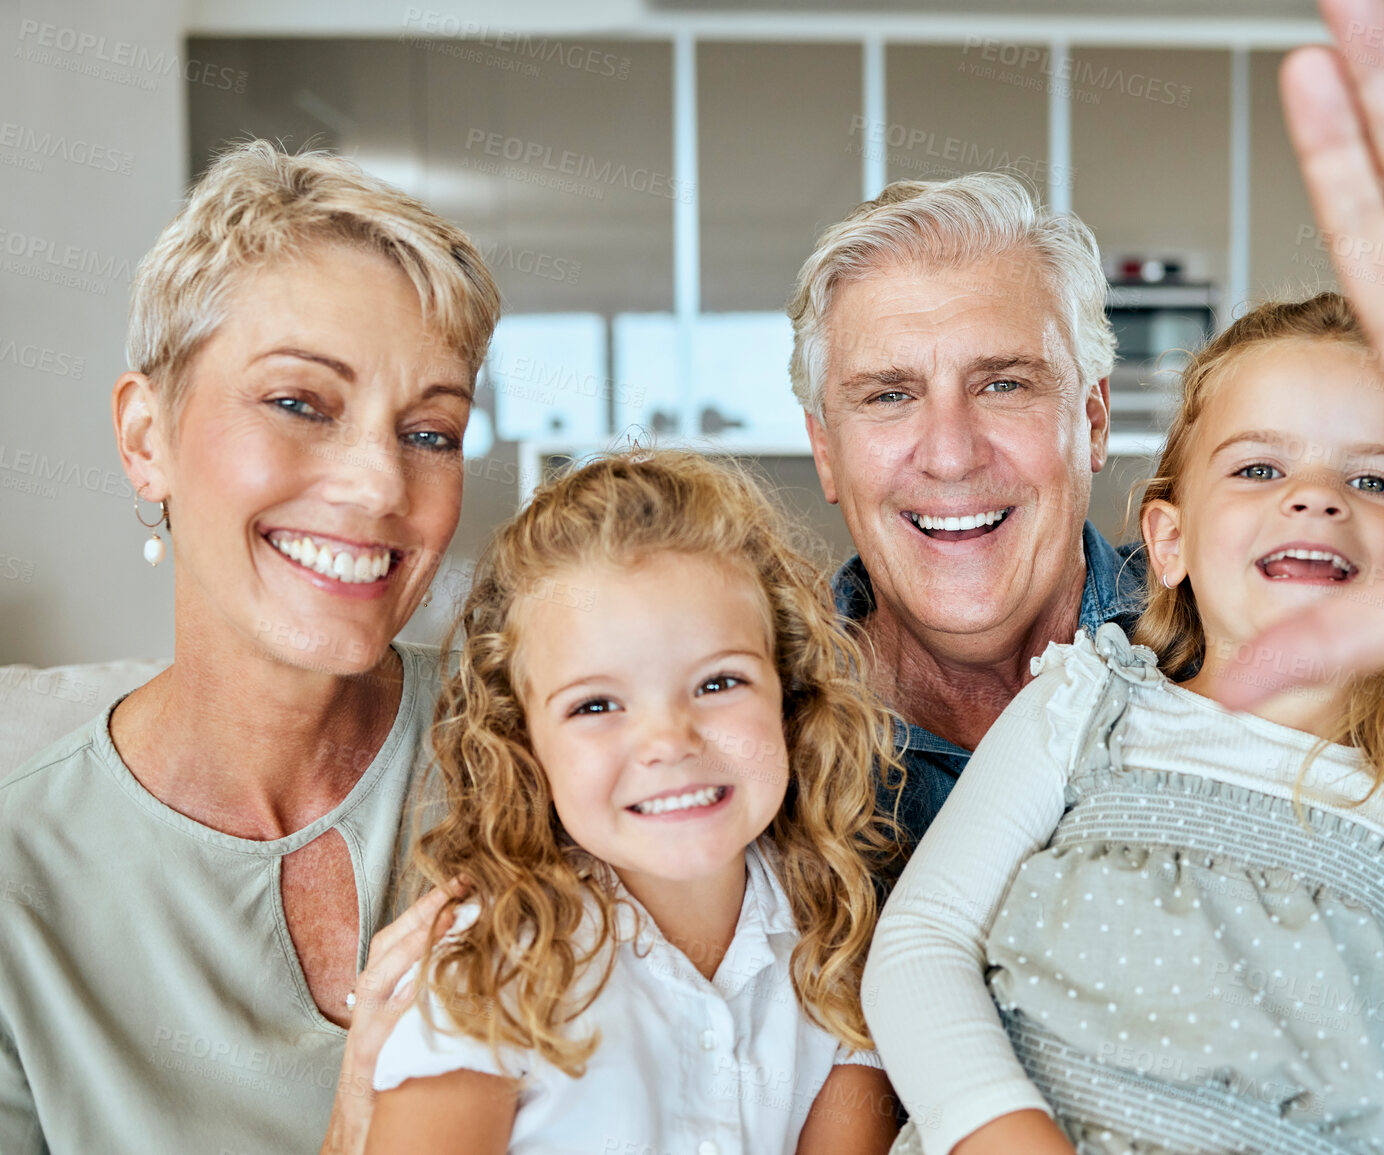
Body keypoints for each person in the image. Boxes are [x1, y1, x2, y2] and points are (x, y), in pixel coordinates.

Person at [789, 1, 1384, 1148]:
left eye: (1004, 383)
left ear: (1093, 421)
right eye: (888, 394)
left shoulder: (1377, 651)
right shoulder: (737, 723)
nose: (949, 450)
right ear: (825, 449)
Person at [863, 293, 1384, 1155]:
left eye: (1372, 479)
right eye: (1259, 469)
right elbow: (922, 945)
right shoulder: (1084, 707)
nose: (1315, 498)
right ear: (1169, 540)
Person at [0, 141, 500, 1155]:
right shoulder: (21, 890)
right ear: (147, 437)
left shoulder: (552, 745)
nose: (377, 486)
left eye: (430, 432)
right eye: (298, 404)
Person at [363, 451, 902, 1155]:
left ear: (791, 691)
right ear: (523, 742)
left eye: (717, 683)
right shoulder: (489, 968)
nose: (667, 740)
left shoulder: (837, 950)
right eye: (595, 704)